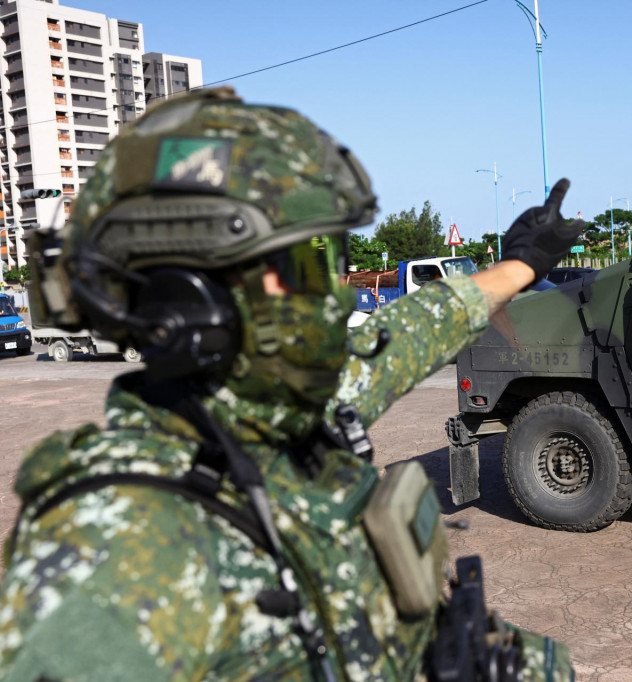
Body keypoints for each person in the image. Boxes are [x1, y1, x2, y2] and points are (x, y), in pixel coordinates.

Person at [0, 87, 580, 682]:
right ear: (191, 299)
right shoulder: (109, 568)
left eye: (331, 258)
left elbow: (412, 330)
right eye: (302, 264)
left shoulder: (291, 407)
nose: (334, 294)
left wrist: (522, 263)